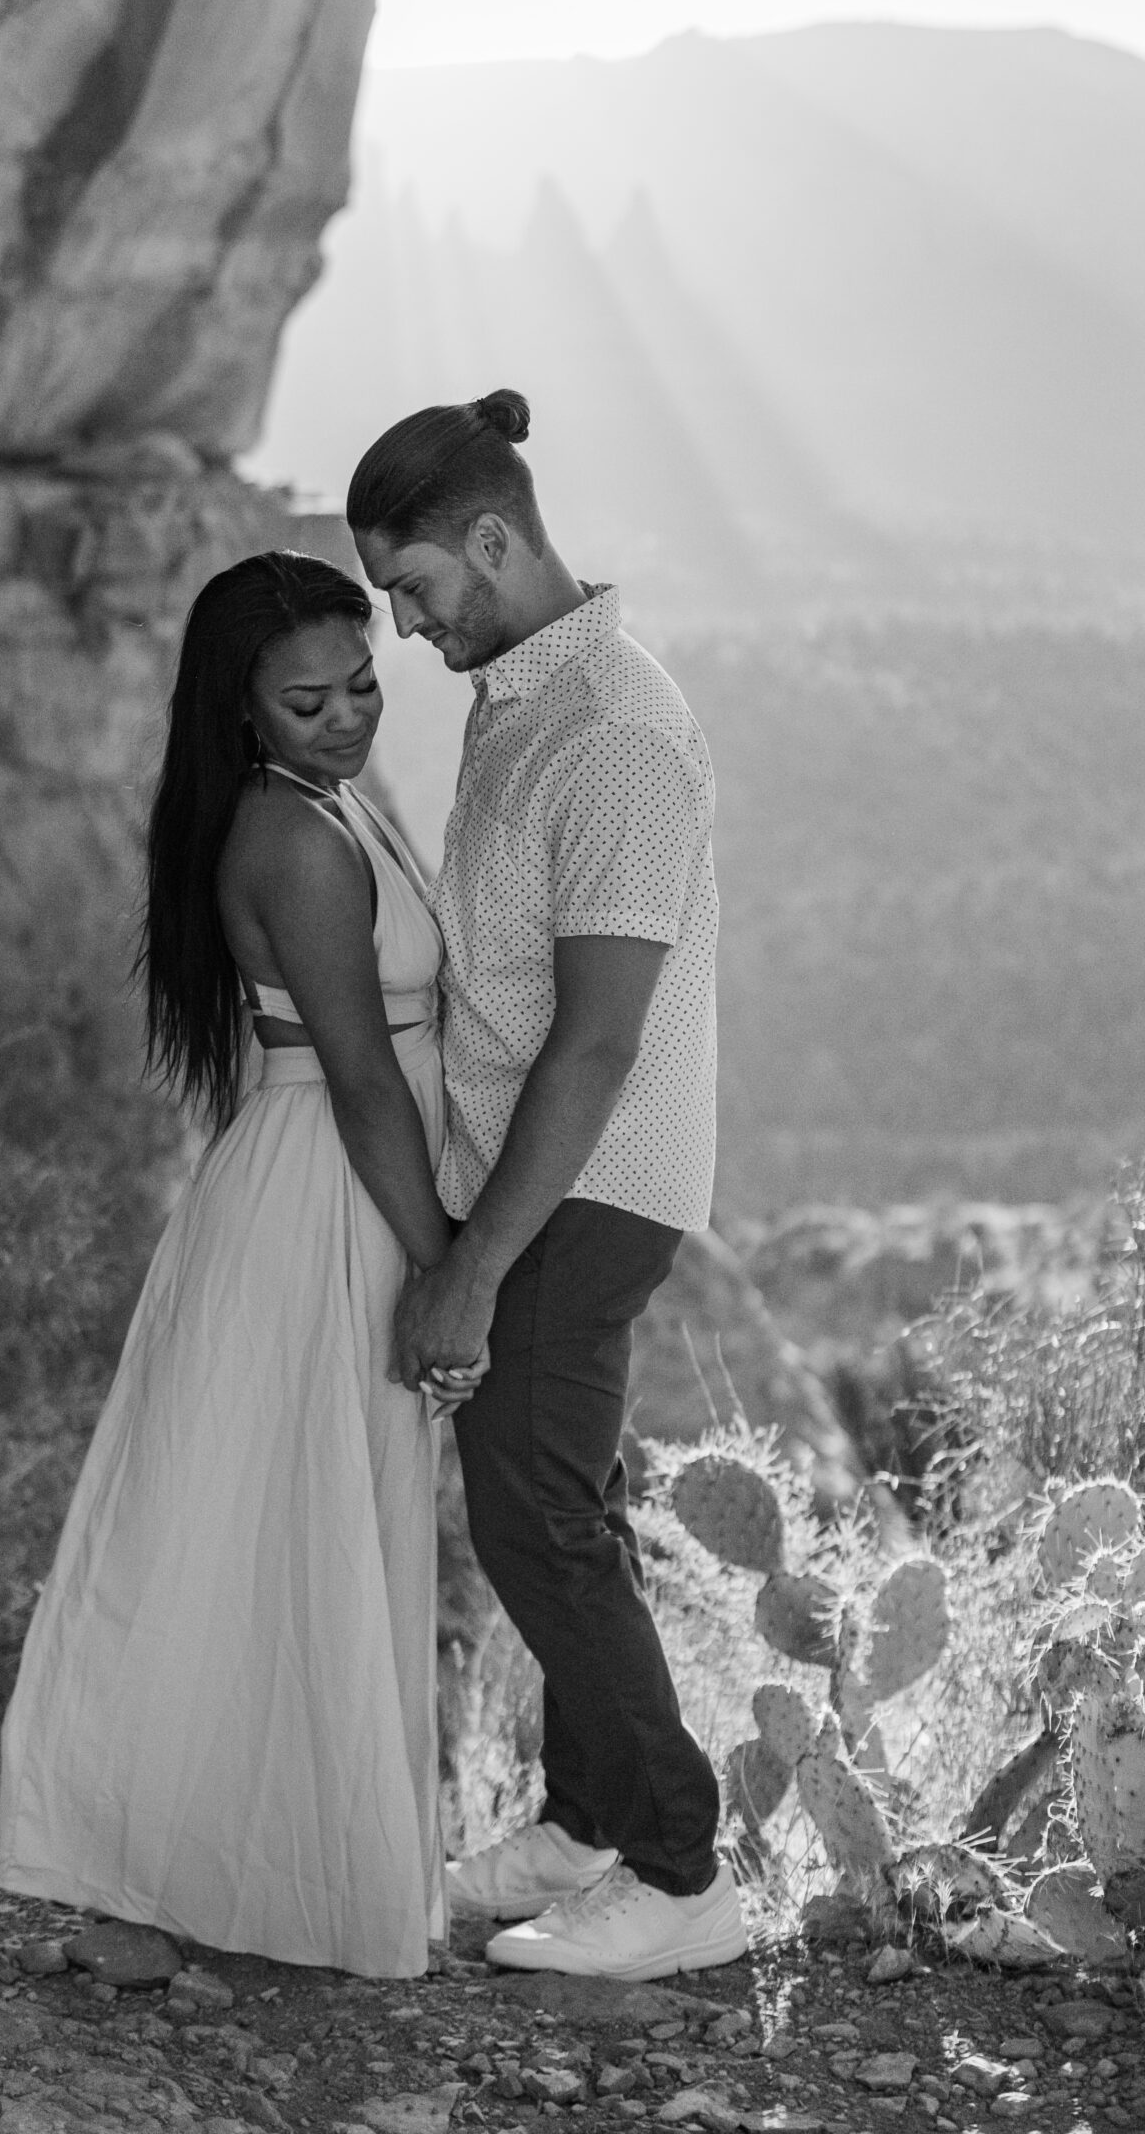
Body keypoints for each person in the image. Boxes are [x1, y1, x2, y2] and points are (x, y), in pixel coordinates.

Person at [0, 550, 466, 1978]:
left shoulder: (331, 803)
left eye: (362, 681)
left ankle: (273, 1877)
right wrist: (451, 1273)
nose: (347, 715)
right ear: (242, 712)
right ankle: (193, 1870)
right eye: (306, 700)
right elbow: (371, 1084)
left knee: (302, 1528)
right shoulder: (296, 838)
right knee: (274, 1526)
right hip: (330, 1200)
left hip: (339, 1188)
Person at [349, 392, 747, 1983]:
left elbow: (592, 1048)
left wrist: (470, 1267)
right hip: (535, 1174)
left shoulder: (618, 736)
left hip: (580, 1184)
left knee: (532, 1522)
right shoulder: (528, 699)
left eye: (418, 589)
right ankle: (584, 1826)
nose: (406, 627)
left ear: (493, 541)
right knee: (558, 1506)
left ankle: (678, 1870)